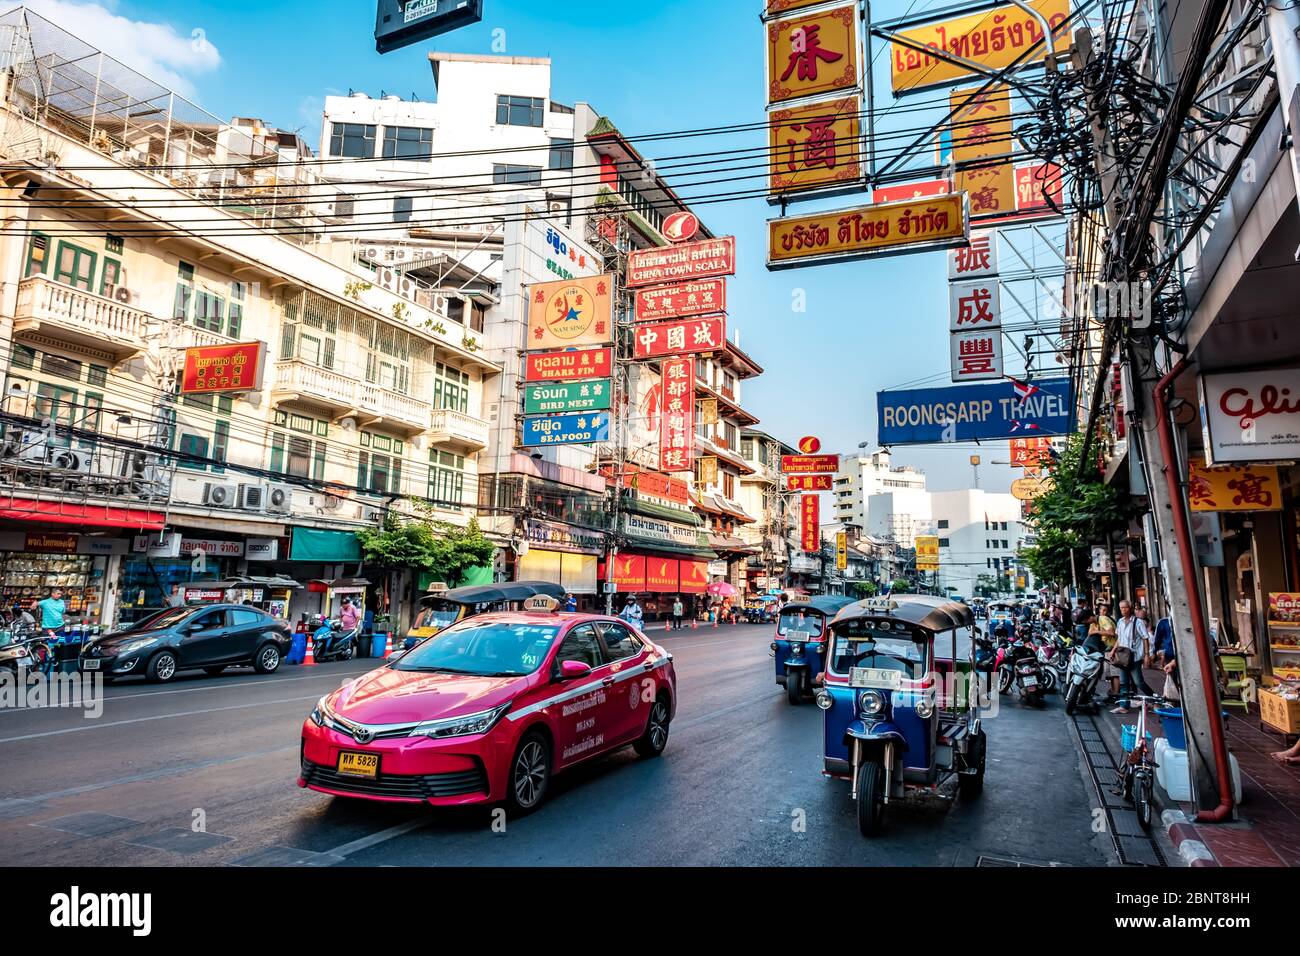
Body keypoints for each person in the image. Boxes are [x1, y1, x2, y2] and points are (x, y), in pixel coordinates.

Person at [1111, 599, 1156, 713]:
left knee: (1138, 682)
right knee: (1123, 682)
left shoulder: (1138, 622)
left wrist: (1146, 655)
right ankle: (1124, 706)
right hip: (1123, 657)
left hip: (1135, 657)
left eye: (1125, 607)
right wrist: (1113, 650)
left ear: (1130, 608)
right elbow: (1119, 638)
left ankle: (1155, 700)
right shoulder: (1120, 622)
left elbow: (1145, 638)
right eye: (1121, 608)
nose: (1123, 610)